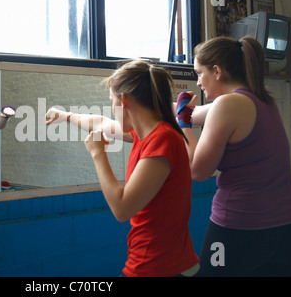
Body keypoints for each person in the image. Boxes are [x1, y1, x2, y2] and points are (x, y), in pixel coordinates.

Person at [45, 60, 199, 277]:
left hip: (157, 267)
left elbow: (122, 208)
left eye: (111, 101)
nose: (111, 107)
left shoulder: (161, 139)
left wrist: (98, 155)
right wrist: (66, 116)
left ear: (123, 100)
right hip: (170, 265)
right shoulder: (146, 133)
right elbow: (100, 123)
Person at [178, 36, 291, 276]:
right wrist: (164, 109)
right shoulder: (262, 100)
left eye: (200, 73)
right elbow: (193, 111)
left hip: (239, 225)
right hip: (283, 226)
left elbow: (198, 172)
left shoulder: (226, 105)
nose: (199, 82)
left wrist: (184, 126)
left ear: (217, 71)